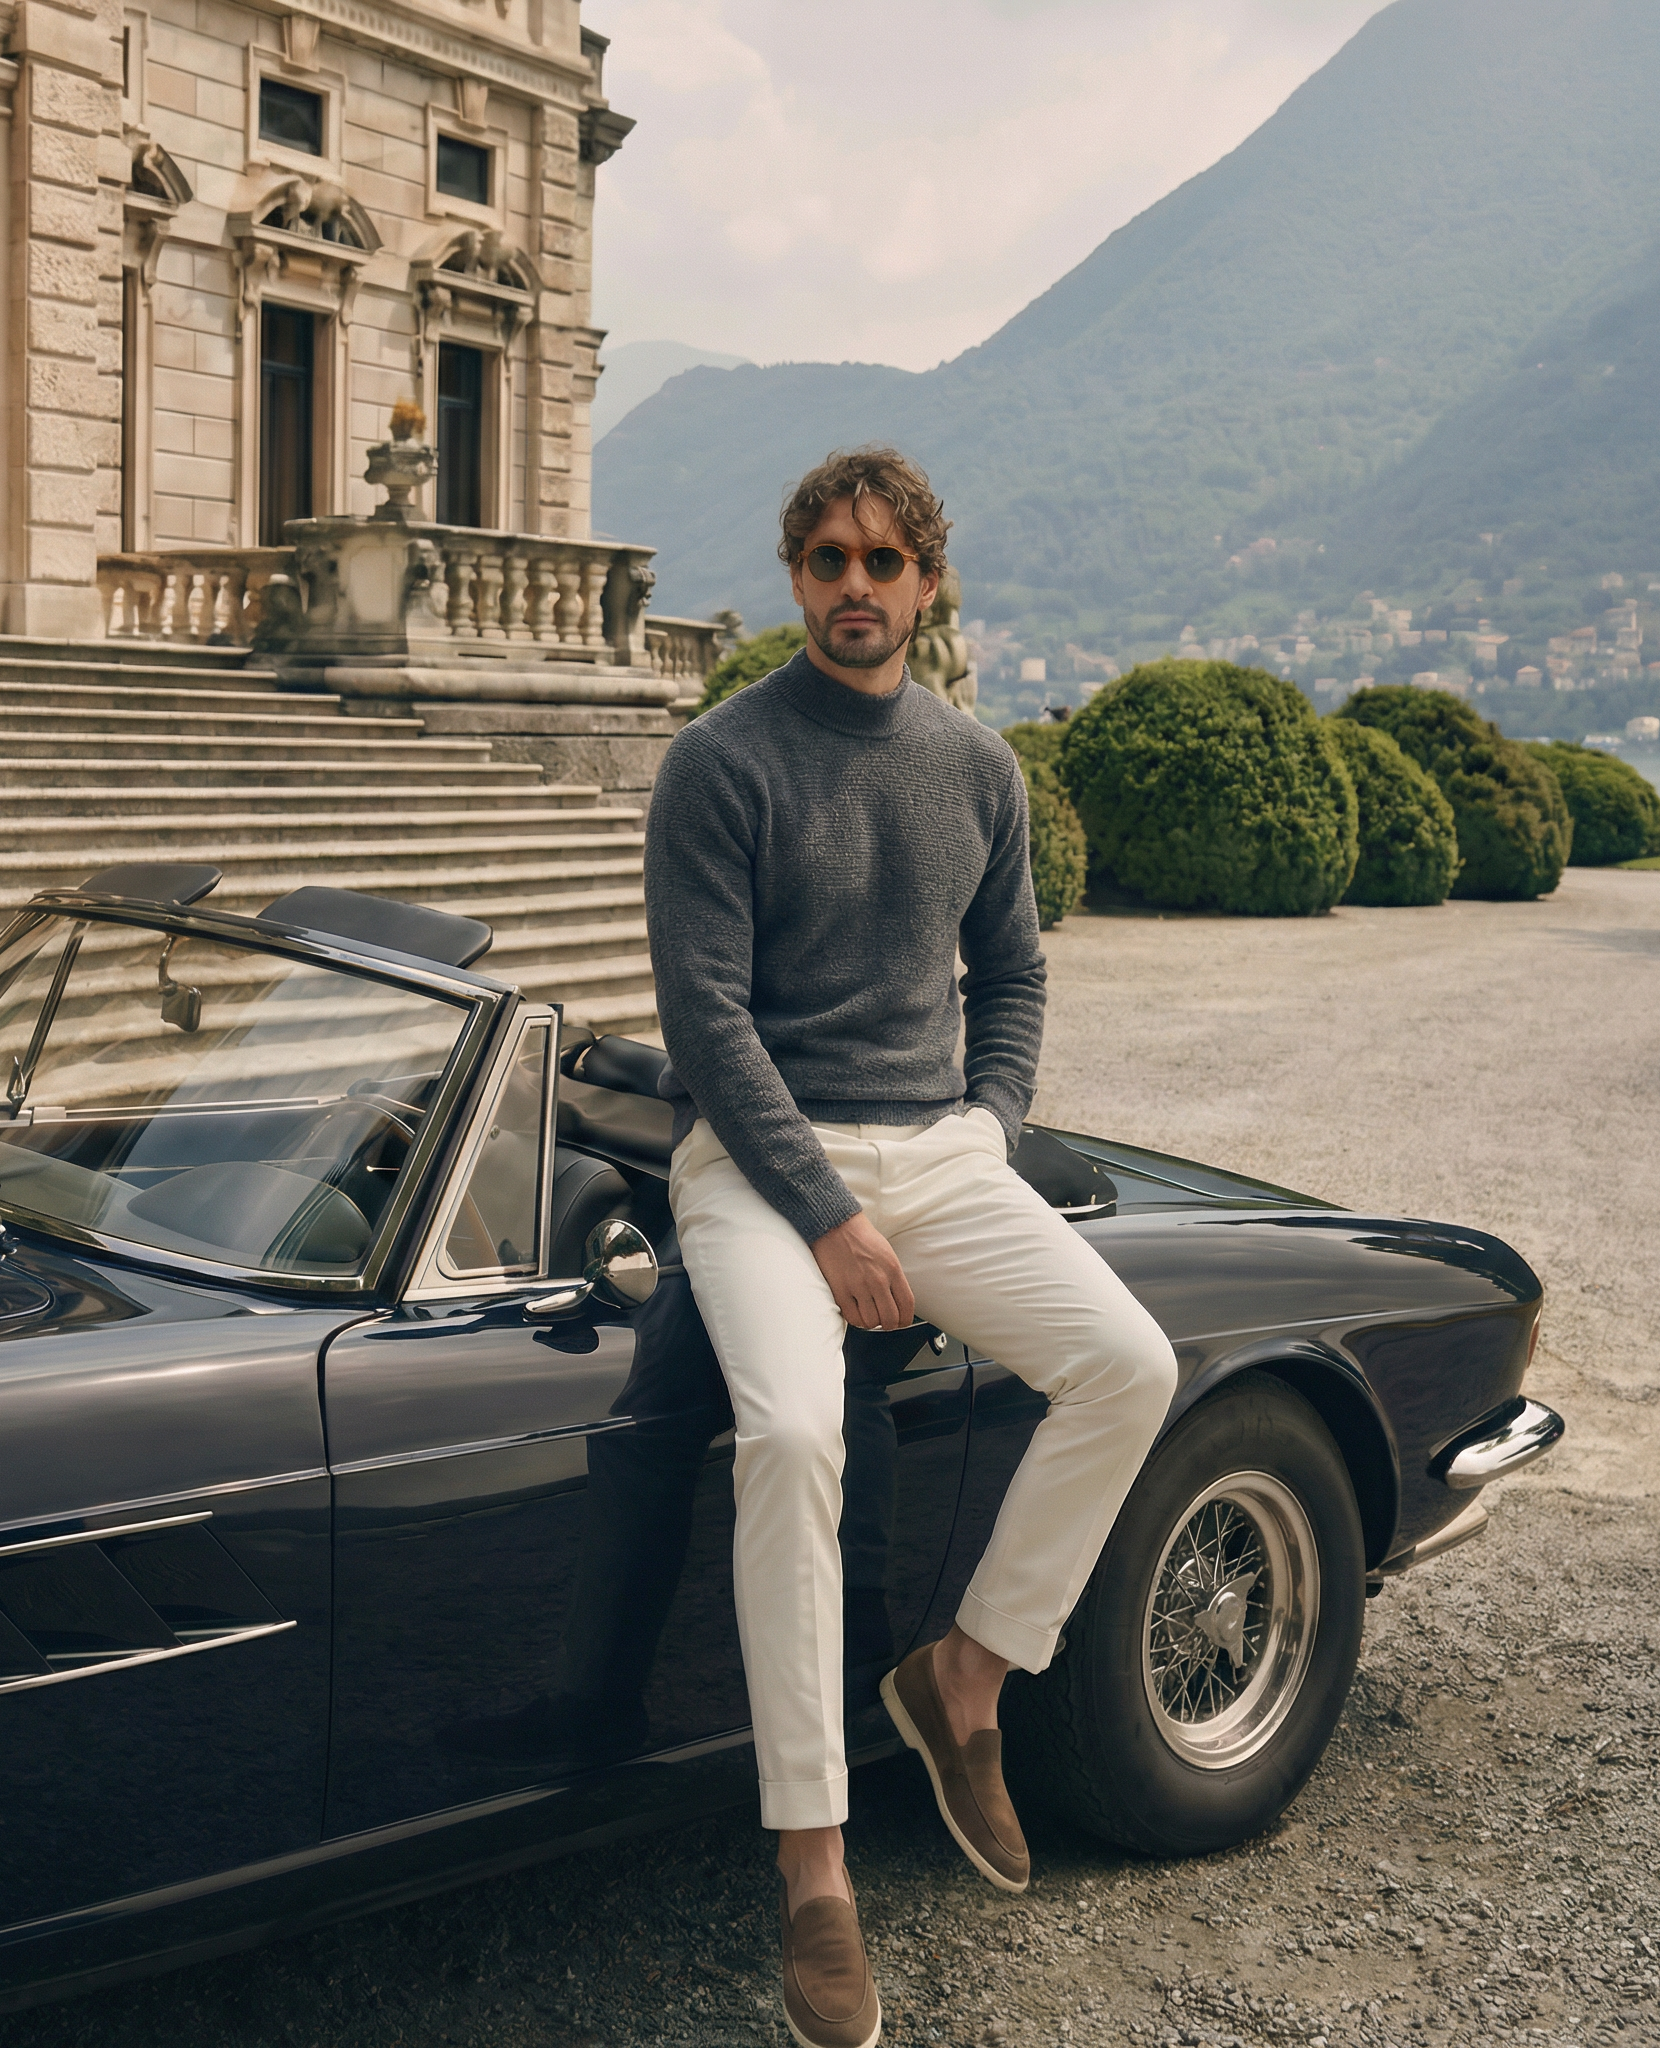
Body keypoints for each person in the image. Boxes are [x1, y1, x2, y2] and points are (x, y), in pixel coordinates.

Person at [643, 446, 1177, 2048]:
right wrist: (831, 1217)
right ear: (797, 579)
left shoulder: (980, 770)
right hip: (754, 1163)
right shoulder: (718, 766)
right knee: (795, 1433)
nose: (854, 585)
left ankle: (968, 1679)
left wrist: (988, 1134)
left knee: (1129, 1365)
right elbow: (707, 1022)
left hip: (938, 1154)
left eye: (884, 559)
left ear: (927, 582)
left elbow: (1009, 979)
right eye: (826, 559)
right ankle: (815, 1864)